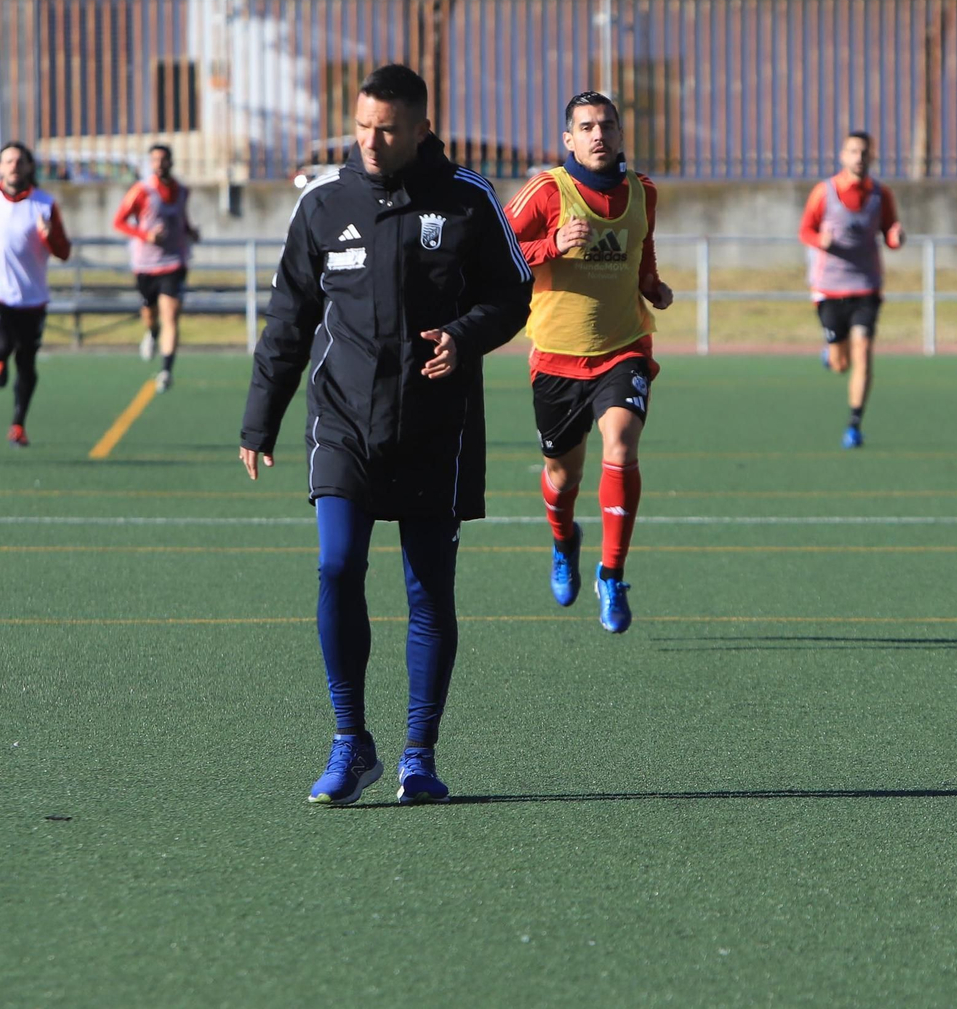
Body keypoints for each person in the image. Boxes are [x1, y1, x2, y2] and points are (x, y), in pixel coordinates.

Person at [238, 64, 533, 806]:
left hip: (438, 424)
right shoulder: (323, 204)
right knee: (337, 566)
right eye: (363, 125)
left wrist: (464, 336)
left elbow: (514, 292)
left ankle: (417, 754)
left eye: (388, 129)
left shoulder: (468, 200)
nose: (371, 140)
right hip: (342, 423)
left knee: (428, 589)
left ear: (421, 128)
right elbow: (288, 320)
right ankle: (349, 741)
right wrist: (259, 419)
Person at [503, 91, 673, 634]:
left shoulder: (643, 192)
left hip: (624, 348)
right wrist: (549, 244)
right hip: (556, 359)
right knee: (562, 473)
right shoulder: (546, 191)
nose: (598, 135)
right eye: (586, 127)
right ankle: (563, 540)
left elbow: (640, 255)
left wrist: (653, 287)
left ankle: (612, 573)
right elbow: (491, 249)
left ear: (621, 134)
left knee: (621, 444)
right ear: (568, 139)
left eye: (607, 125)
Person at [0, 141, 72, 447]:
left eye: (18, 161)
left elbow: (64, 252)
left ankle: (18, 425)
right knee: (0, 346)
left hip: (32, 296)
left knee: (26, 364)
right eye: (7, 161)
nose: (13, 166)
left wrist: (51, 238)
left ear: (28, 167)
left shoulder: (44, 205)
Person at [798, 131, 903, 449]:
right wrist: (820, 241)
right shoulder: (824, 192)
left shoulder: (880, 195)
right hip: (829, 289)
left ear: (871, 157)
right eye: (853, 151)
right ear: (843, 156)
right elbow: (805, 229)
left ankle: (854, 423)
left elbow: (889, 231)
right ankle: (830, 356)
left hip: (866, 287)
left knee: (864, 354)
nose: (859, 157)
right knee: (841, 363)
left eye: (864, 152)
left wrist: (896, 237)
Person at [113, 143, 199, 393]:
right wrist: (145, 235)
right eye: (155, 160)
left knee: (171, 315)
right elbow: (119, 222)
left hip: (174, 262)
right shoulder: (141, 191)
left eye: (164, 159)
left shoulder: (182, 191)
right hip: (145, 264)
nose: (160, 164)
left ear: (171, 162)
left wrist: (190, 231)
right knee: (150, 314)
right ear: (150, 164)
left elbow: (181, 219)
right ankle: (151, 333)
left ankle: (166, 370)